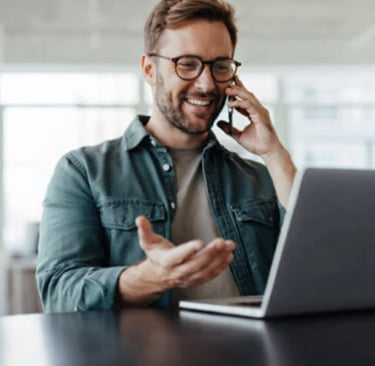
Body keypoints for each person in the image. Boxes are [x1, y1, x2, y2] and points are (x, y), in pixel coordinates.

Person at [36, 0, 296, 312]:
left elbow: (320, 260)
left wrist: (273, 152)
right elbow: (59, 292)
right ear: (149, 69)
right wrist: (151, 278)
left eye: (220, 66)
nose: (206, 83)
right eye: (187, 64)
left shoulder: (260, 177)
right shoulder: (83, 171)